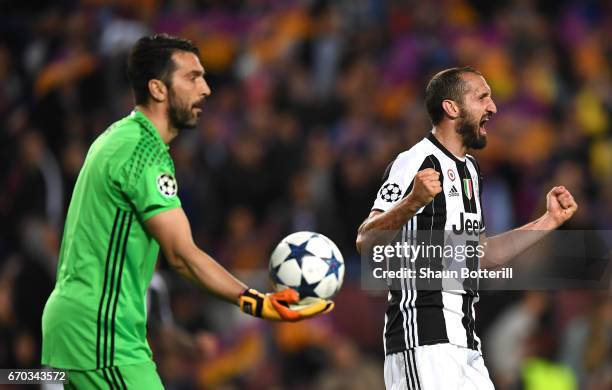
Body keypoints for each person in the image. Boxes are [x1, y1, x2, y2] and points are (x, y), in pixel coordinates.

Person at [41, 34, 333, 389]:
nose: (206, 89)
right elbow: (181, 255)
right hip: (100, 334)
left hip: (83, 327)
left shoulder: (120, 138)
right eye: (192, 77)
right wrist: (259, 303)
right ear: (158, 89)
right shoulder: (142, 152)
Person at [355, 67, 578, 390]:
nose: (493, 107)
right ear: (452, 108)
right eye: (482, 97)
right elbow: (366, 239)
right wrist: (412, 201)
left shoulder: (470, 171)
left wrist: (548, 221)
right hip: (425, 340)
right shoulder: (416, 161)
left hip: (466, 343)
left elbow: (480, 254)